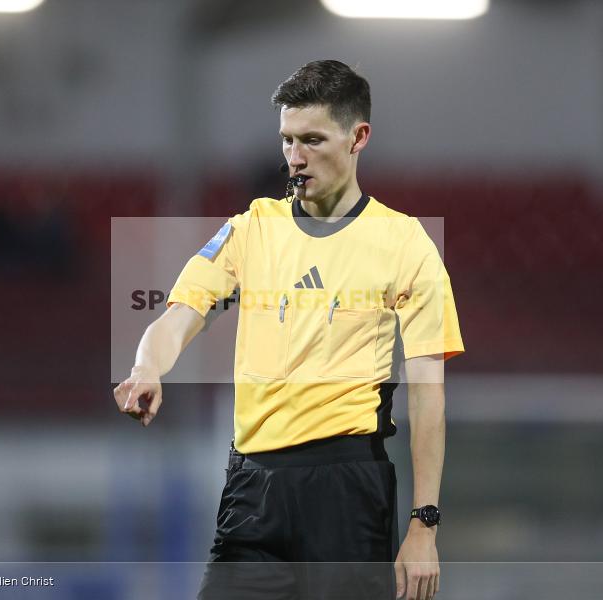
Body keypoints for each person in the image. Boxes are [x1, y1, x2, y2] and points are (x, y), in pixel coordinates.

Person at [113, 59, 464, 600]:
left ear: (358, 138)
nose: (295, 158)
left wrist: (424, 524)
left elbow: (428, 391)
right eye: (287, 140)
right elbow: (177, 316)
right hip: (252, 487)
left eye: (312, 140)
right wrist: (146, 368)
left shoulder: (405, 244)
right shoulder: (250, 230)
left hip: (347, 488)